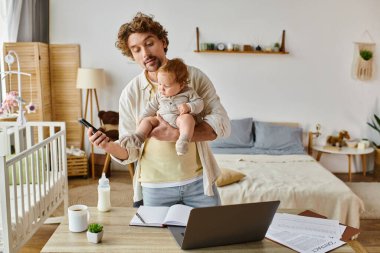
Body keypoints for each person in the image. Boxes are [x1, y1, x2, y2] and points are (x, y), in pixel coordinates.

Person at [88, 12, 230, 208]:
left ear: (163, 42)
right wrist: (108, 146)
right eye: (136, 50)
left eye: (149, 43)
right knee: (158, 239)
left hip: (199, 183)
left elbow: (221, 124)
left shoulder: (194, 78)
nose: (145, 54)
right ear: (132, 55)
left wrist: (176, 134)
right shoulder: (130, 93)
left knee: (212, 236)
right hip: (155, 187)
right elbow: (131, 152)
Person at [120, 58, 204, 155]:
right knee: (147, 120)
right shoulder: (159, 94)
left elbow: (200, 103)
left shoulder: (188, 92)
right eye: (159, 84)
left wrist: (189, 106)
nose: (161, 88)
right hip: (160, 120)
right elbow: (151, 106)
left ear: (181, 85)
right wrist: (142, 118)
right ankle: (138, 138)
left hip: (178, 120)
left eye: (166, 86)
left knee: (187, 119)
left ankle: (183, 140)